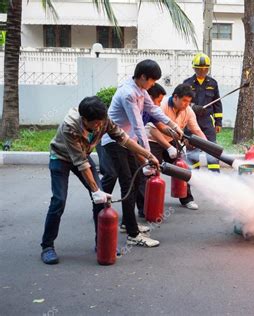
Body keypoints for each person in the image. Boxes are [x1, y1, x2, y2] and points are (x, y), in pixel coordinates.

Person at [40, 96, 160, 265]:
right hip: (60, 158)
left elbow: (124, 139)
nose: (98, 126)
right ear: (84, 119)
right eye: (94, 123)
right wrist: (95, 190)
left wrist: (148, 155)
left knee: (101, 201)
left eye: (100, 122)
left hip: (83, 155)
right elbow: (80, 163)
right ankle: (47, 246)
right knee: (59, 200)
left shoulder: (103, 119)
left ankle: (102, 244)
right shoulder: (70, 126)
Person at [101, 59, 183, 248]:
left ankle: (127, 223)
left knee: (136, 180)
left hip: (126, 141)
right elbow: (138, 125)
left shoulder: (141, 90)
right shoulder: (128, 94)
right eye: (152, 81)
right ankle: (132, 234)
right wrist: (148, 155)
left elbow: (152, 109)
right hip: (114, 142)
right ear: (143, 77)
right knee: (128, 183)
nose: (153, 85)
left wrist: (172, 124)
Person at [144, 83, 206, 210]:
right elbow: (152, 129)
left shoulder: (188, 110)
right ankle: (148, 206)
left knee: (182, 168)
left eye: (189, 102)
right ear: (175, 97)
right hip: (152, 140)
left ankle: (186, 199)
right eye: (184, 101)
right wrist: (168, 147)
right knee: (152, 171)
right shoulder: (160, 105)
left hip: (171, 140)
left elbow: (196, 130)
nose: (186, 104)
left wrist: (207, 146)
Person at [183, 52, 222, 173]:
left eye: (205, 68)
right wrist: (193, 107)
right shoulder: (187, 83)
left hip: (207, 121)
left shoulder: (213, 83)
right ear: (194, 68)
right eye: (199, 68)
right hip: (191, 120)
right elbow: (182, 102)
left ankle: (215, 175)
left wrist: (218, 122)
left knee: (212, 147)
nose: (202, 71)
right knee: (192, 147)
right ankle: (194, 174)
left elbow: (217, 103)